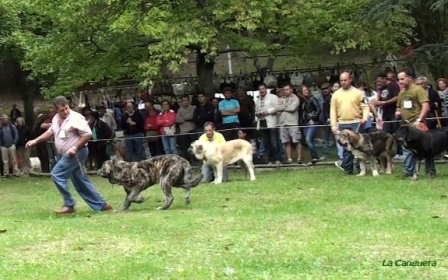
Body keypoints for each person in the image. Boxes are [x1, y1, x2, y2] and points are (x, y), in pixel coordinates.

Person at [26, 96, 113, 214]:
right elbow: (50, 131)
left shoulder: (76, 118)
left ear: (68, 106)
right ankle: (102, 205)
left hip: (76, 153)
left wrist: (74, 148)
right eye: (62, 110)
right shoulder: (56, 118)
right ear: (56, 110)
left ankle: (69, 204)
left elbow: (87, 134)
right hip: (65, 153)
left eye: (66, 108)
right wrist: (36, 141)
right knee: (80, 181)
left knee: (57, 174)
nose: (65, 112)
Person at [330, 72, 370, 175]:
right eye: (341, 80)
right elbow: (333, 111)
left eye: (345, 80)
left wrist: (365, 117)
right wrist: (334, 125)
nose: (343, 82)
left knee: (358, 147)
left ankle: (360, 169)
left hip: (356, 123)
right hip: (342, 123)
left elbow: (365, 106)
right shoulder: (336, 95)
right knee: (346, 148)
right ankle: (348, 169)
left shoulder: (358, 93)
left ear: (350, 80)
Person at [395, 70, 431, 178]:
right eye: (399, 79)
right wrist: (397, 112)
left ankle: (430, 170)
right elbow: (399, 106)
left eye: (402, 79)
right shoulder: (401, 92)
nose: (400, 81)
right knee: (407, 148)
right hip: (405, 125)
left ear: (409, 78)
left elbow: (426, 105)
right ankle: (408, 170)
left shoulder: (418, 89)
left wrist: (419, 120)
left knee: (425, 148)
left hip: (417, 124)